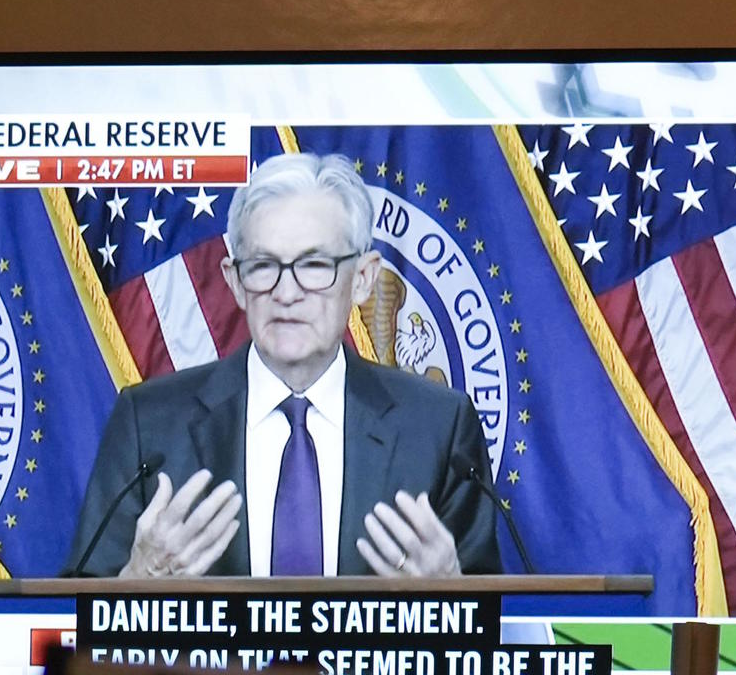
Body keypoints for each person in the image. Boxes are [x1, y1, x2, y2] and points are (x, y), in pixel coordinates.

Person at [65, 151, 501, 581]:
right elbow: (68, 623)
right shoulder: (150, 424)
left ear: (364, 279)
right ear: (236, 282)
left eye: (314, 265)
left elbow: (495, 627)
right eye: (263, 266)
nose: (287, 292)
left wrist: (454, 591)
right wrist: (137, 578)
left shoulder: (438, 426)